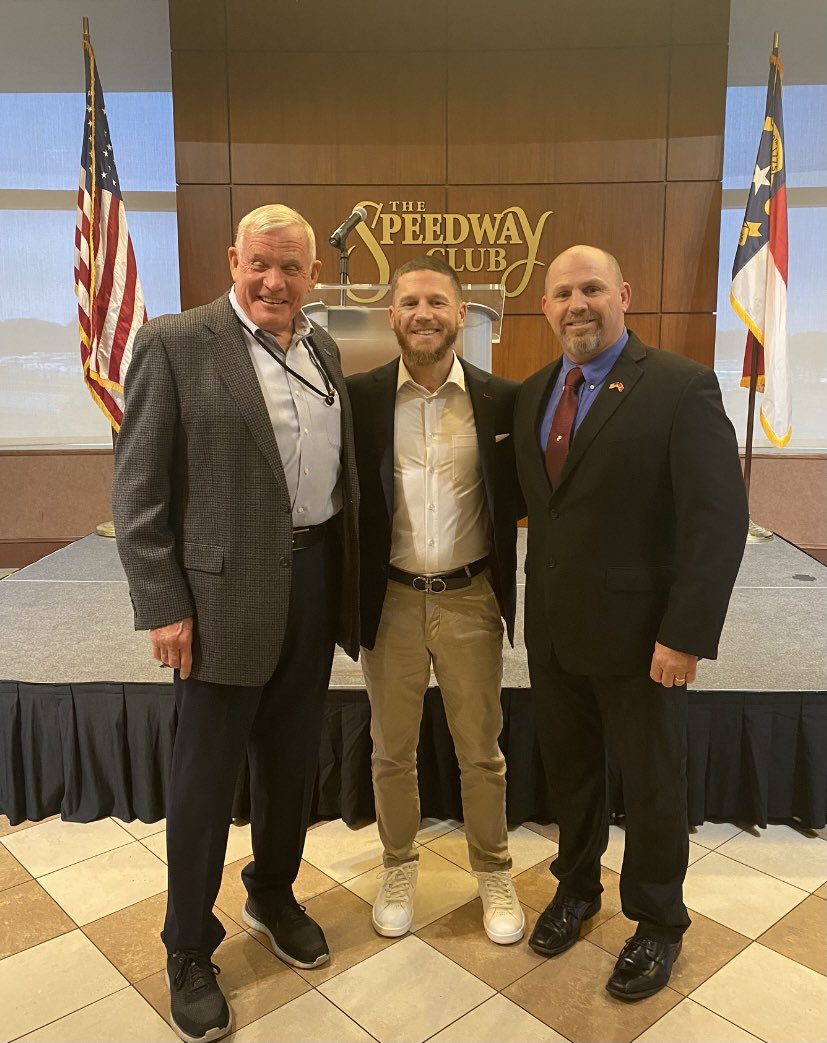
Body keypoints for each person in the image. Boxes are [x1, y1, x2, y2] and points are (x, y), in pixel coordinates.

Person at [112, 204, 359, 1043]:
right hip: (216, 600)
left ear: (312, 274)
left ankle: (273, 892)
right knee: (204, 782)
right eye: (260, 263)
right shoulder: (175, 343)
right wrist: (163, 603)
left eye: (290, 267)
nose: (274, 281)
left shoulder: (323, 350)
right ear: (232, 260)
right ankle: (188, 946)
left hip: (313, 582)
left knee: (290, 763)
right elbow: (138, 488)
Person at [514, 245, 748, 1000]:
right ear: (544, 308)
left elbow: (716, 520)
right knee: (572, 773)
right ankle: (576, 887)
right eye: (561, 293)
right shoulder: (533, 393)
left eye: (591, 288)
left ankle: (656, 920)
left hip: (645, 639)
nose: (576, 304)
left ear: (624, 294)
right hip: (554, 632)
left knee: (651, 785)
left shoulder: (680, 386)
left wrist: (684, 634)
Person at [346, 256, 525, 945]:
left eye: (438, 302)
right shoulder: (358, 399)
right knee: (391, 751)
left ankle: (494, 870)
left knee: (480, 751)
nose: (424, 314)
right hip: (390, 599)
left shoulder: (500, 399)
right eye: (411, 302)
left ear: (461, 314)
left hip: (470, 598)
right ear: (392, 315)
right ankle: (398, 866)